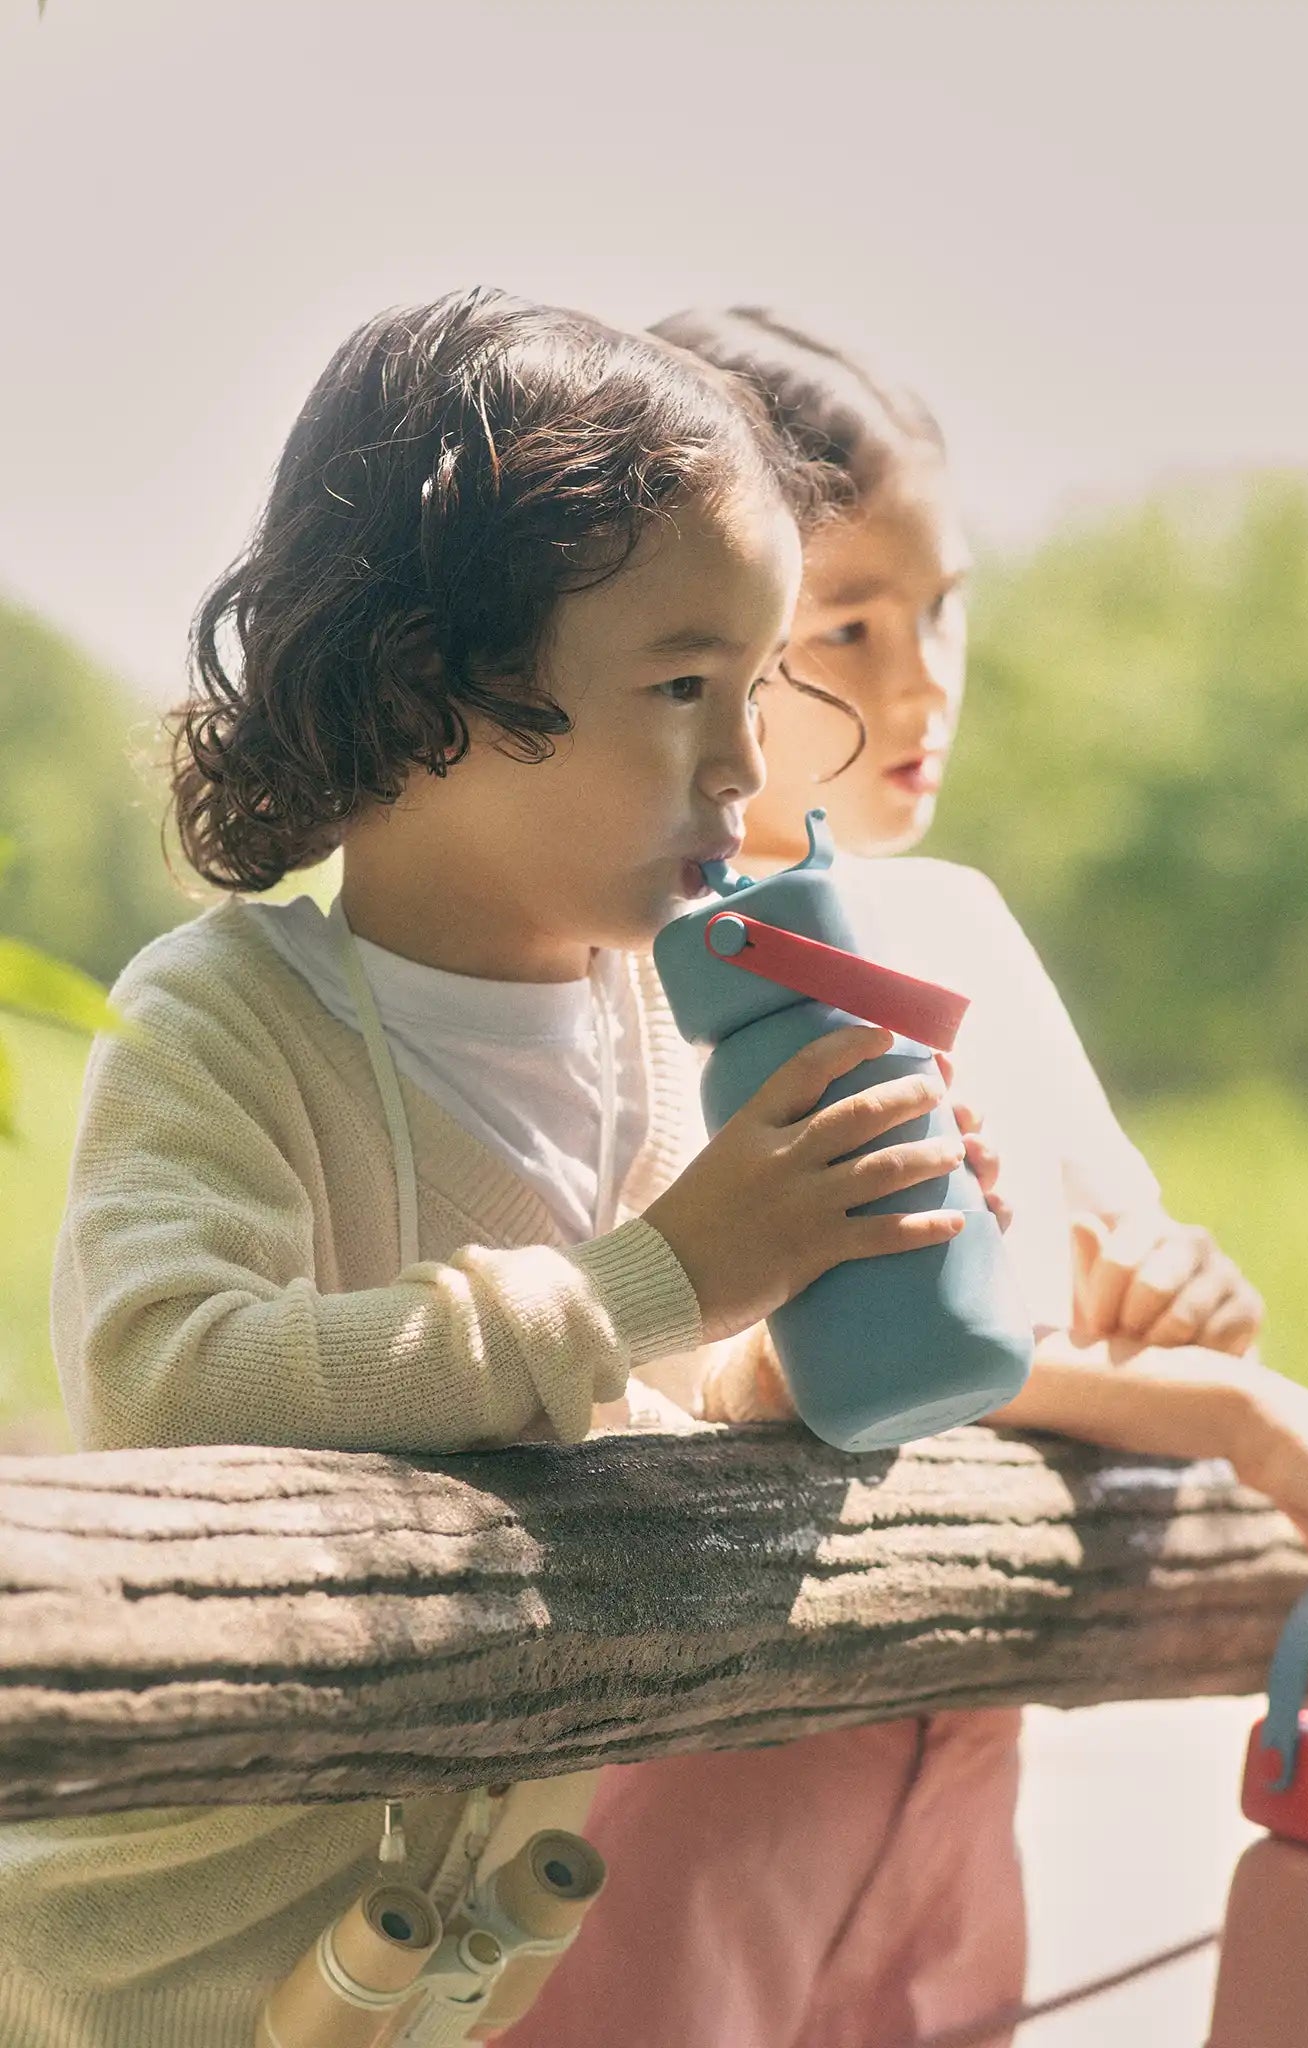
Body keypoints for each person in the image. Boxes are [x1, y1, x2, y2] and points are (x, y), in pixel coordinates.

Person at [0, 290, 998, 2048]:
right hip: (156, 1971)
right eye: (681, 685)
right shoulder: (229, 1015)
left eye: (755, 684)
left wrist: (839, 1283)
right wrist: (668, 1275)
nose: (745, 760)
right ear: (428, 686)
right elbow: (169, 1380)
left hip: (450, 1971)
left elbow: (644, 1397)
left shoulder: (657, 1037)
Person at [495, 307, 1308, 2048]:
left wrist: (1179, 1301)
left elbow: (1090, 1278)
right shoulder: (634, 961)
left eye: (940, 610)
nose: (917, 684)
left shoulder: (962, 923)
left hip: (959, 1753)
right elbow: (785, 1351)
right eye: (846, 628)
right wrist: (1221, 1409)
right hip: (703, 1771)